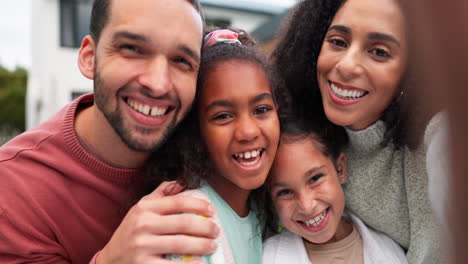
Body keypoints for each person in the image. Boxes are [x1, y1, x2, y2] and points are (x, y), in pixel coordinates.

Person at [0, 0, 220, 263]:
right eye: (132, 49)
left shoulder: (211, 148)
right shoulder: (12, 191)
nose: (159, 84)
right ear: (89, 58)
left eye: (181, 61)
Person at [271, 0, 444, 263]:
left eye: (379, 52)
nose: (347, 66)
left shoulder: (440, 130)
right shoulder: (306, 143)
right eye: (338, 42)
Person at [146, 28, 284, 263]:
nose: (248, 131)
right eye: (223, 116)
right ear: (195, 132)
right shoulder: (192, 221)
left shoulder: (261, 209)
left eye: (261, 110)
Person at [262, 120, 407, 263]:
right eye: (285, 192)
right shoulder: (265, 258)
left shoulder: (390, 251)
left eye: (315, 178)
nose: (307, 206)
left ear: (340, 168)